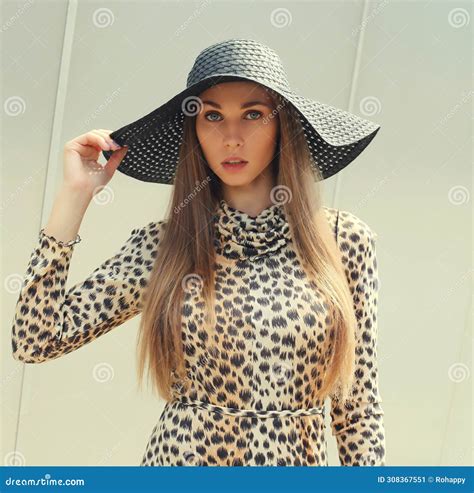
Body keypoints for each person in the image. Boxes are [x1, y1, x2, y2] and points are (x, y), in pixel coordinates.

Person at [11, 39, 385, 466]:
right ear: (195, 131)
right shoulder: (167, 245)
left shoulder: (344, 240)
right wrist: (75, 197)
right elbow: (35, 342)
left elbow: (358, 410)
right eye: (212, 116)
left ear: (284, 127)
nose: (231, 137)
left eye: (253, 114)